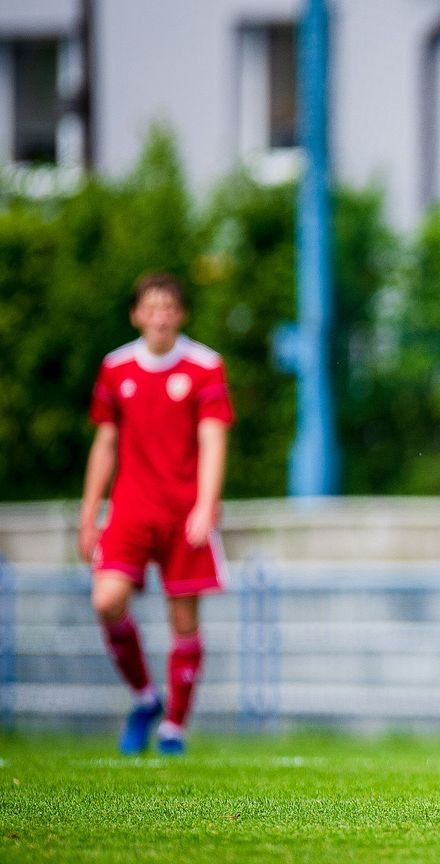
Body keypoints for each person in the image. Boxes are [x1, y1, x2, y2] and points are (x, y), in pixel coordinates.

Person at [79, 272, 234, 756]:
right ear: (136, 315)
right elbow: (106, 441)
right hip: (130, 510)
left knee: (183, 620)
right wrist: (89, 512)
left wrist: (206, 503)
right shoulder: (116, 368)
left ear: (181, 314)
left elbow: (213, 437)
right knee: (106, 600)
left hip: (183, 512)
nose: (160, 316)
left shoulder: (205, 366)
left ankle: (173, 729)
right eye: (151, 307)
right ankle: (146, 699)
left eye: (169, 307)